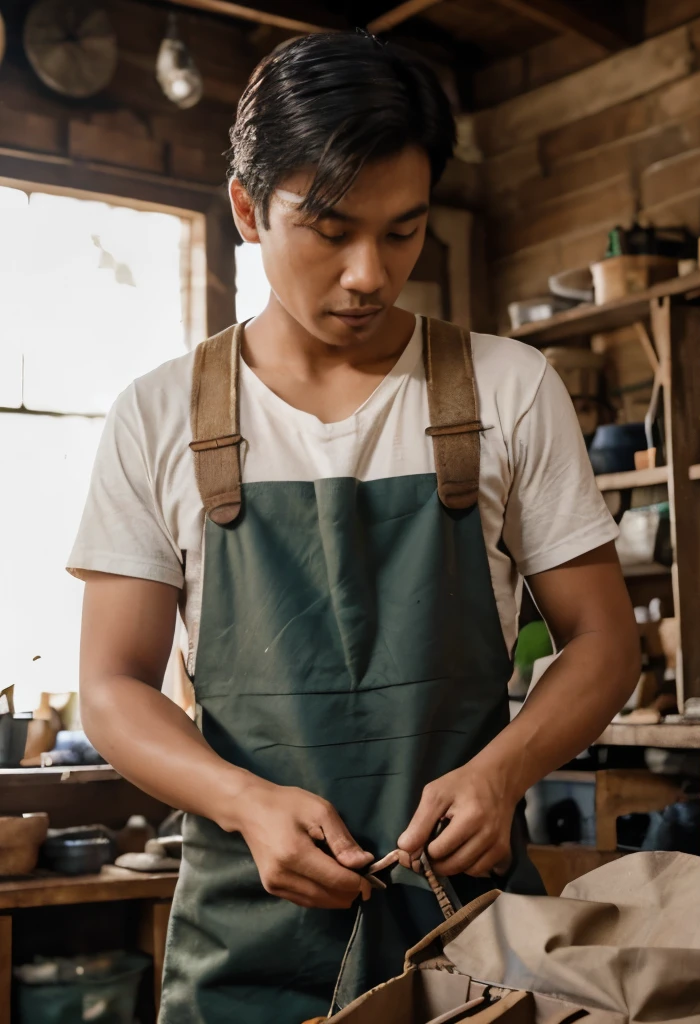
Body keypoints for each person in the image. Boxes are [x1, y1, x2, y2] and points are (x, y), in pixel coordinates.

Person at [68, 31, 640, 1024]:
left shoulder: (508, 388)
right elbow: (113, 687)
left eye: (404, 231)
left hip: (472, 930)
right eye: (330, 230)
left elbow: (604, 640)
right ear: (248, 209)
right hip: (247, 939)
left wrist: (504, 770)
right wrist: (245, 802)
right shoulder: (158, 415)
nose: (371, 273)